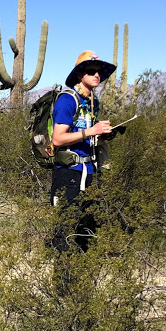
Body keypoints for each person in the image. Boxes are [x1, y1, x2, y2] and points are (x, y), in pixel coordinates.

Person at [49, 50, 116, 252]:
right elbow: (58, 138)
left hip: (89, 172)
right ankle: (63, 279)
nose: (97, 75)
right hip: (68, 172)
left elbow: (85, 135)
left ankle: (81, 277)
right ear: (80, 75)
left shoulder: (93, 103)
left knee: (85, 229)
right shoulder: (67, 100)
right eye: (91, 71)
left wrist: (101, 135)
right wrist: (91, 131)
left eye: (99, 72)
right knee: (66, 229)